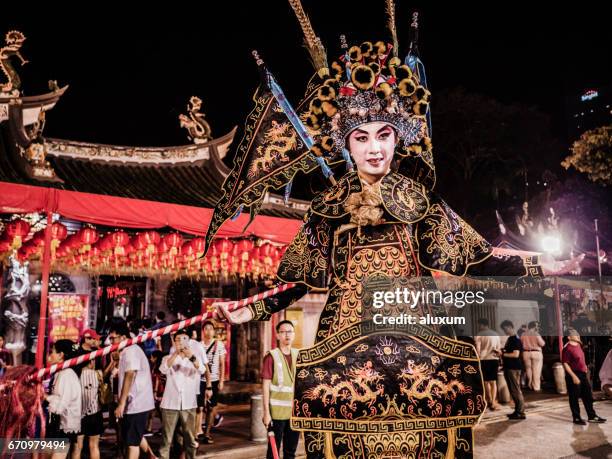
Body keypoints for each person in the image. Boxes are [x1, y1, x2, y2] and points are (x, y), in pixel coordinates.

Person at [211, 13, 584, 454]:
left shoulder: (417, 200)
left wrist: (539, 262)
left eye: (383, 135)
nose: (374, 147)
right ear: (346, 145)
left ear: (397, 139)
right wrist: (249, 311)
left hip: (415, 336)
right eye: (361, 137)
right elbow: (302, 279)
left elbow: (477, 255)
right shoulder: (328, 208)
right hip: (344, 341)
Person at [108, 320, 157, 459]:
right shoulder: (126, 351)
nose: (111, 341)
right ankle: (151, 456)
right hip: (133, 402)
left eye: (113, 338)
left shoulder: (131, 351)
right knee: (134, 434)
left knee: (131, 443)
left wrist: (121, 403)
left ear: (123, 337)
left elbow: (130, 374)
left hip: (137, 403)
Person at [158, 331, 209, 459]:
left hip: (189, 403)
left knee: (190, 439)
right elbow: (163, 369)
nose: (180, 342)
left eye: (184, 339)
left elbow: (202, 370)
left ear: (188, 341)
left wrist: (191, 356)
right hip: (170, 404)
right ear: (174, 342)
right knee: (166, 440)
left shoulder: (193, 357)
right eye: (178, 339)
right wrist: (175, 353)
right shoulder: (168, 358)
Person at [261, 320, 300, 459]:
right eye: (283, 332)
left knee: (290, 452)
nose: (287, 335)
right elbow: (265, 386)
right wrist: (266, 413)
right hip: (276, 413)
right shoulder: (271, 356)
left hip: (294, 413)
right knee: (273, 452)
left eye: (289, 331)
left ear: (294, 334)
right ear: (277, 335)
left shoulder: (299, 355)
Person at [45, 339, 82, 459]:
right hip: (58, 424)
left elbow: (60, 406)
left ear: (61, 355)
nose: (50, 355)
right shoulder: (60, 373)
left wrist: (44, 397)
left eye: (53, 352)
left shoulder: (67, 375)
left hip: (64, 425)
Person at [562, 329, 607, 425]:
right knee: (574, 398)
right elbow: (565, 364)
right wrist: (574, 376)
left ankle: (592, 416)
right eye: (574, 334)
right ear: (569, 337)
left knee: (588, 396)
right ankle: (577, 418)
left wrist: (585, 366)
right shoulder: (567, 348)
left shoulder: (578, 345)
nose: (577, 335)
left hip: (582, 374)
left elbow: (581, 359)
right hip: (573, 375)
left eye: (577, 333)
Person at [198, 321, 226, 443]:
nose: (208, 331)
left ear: (214, 331)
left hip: (214, 380)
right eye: (206, 329)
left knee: (211, 407)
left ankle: (207, 433)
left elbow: (222, 363)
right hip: (200, 380)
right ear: (203, 331)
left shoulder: (219, 345)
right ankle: (197, 431)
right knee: (199, 407)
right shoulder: (199, 345)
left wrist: (221, 380)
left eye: (211, 329)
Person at [74, 358, 104, 459]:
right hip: (95, 413)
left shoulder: (76, 375)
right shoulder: (98, 374)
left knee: (77, 448)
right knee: (94, 446)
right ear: (91, 362)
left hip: (79, 415)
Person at [500, 320, 525, 420]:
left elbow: (516, 354)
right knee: (514, 390)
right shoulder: (510, 339)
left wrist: (502, 354)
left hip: (513, 367)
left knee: (515, 390)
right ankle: (518, 411)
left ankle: (520, 412)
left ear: (510, 327)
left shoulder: (515, 339)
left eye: (505, 329)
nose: (504, 331)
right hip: (510, 367)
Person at [474, 318, 501, 410]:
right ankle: (493, 401)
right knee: (493, 382)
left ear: (482, 324)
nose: (479, 327)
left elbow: (478, 349)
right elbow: (498, 349)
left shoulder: (479, 335)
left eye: (479, 325)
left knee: (485, 381)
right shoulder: (495, 334)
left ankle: (489, 400)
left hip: (483, 359)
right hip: (494, 359)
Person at [520, 321, 545, 391]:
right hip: (536, 353)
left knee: (528, 370)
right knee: (536, 370)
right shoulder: (536, 334)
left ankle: (530, 384)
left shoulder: (523, 334)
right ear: (534, 327)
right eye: (537, 326)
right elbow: (542, 344)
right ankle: (536, 387)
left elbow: (520, 343)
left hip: (526, 353)